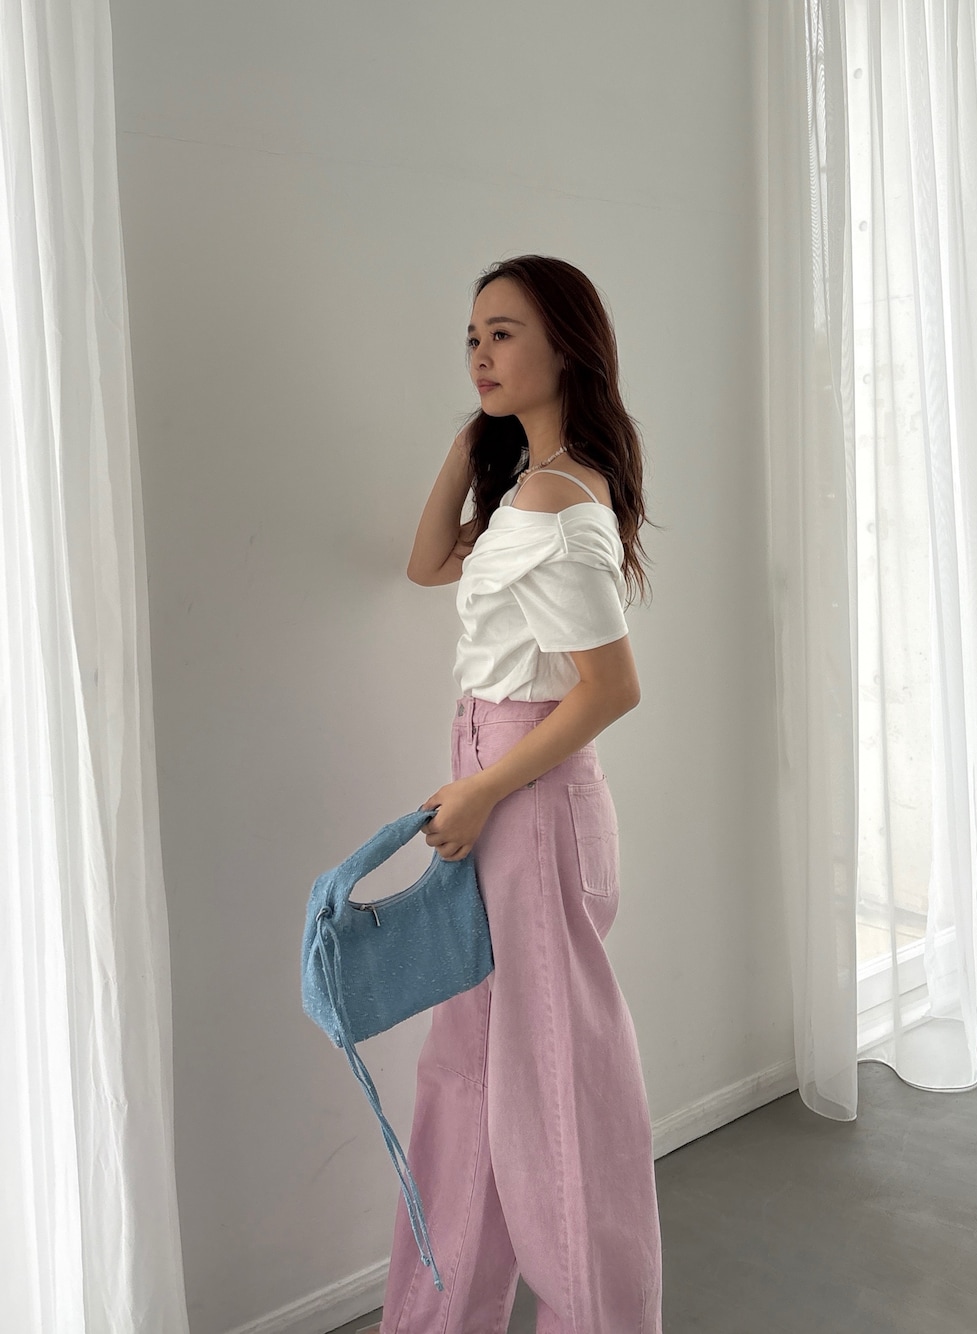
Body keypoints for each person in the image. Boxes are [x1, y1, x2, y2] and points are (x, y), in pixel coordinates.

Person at [361, 255, 663, 1334]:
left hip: (526, 802)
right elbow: (423, 561)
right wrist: (468, 441)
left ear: (566, 347)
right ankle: (443, 1314)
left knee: (553, 1096)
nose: (480, 354)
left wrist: (485, 790)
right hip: (501, 789)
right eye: (472, 338)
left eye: (504, 333)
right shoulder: (525, 490)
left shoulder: (555, 499)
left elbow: (611, 688)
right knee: (473, 1075)